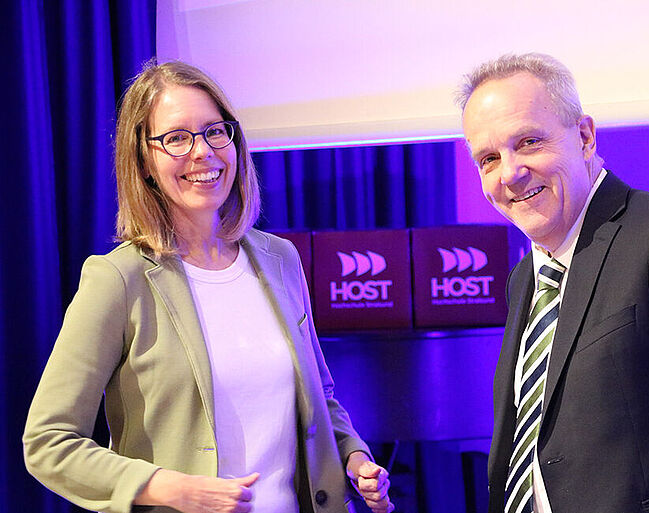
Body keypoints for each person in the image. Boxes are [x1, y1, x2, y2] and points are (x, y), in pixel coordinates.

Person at [23, 60, 394, 513]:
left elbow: (321, 397)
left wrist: (355, 458)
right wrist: (167, 487)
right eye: (177, 138)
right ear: (143, 160)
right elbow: (48, 442)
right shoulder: (119, 279)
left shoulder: (281, 259)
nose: (203, 152)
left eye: (215, 131)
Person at [457, 52, 649, 513]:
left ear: (584, 136)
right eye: (488, 158)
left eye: (528, 142)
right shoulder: (524, 278)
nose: (510, 173)